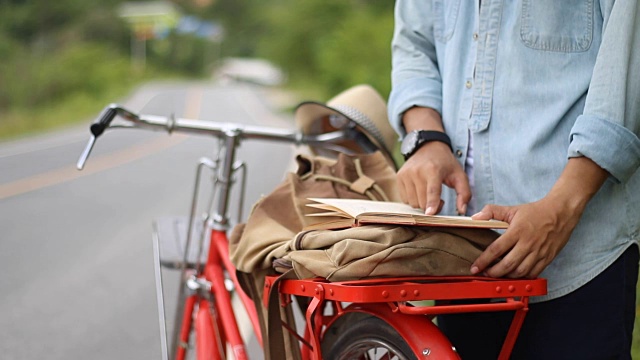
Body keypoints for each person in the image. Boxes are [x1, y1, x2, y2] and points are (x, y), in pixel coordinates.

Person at [388, 1, 640, 359]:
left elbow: (627, 73)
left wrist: (561, 207)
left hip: (580, 257)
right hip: (462, 254)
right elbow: (414, 46)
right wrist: (426, 139)